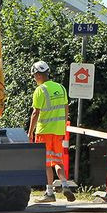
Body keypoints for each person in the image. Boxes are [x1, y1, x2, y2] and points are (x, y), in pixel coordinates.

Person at [27, 61, 75, 202]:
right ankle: (65, 184)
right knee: (58, 160)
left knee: (46, 163)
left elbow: (35, 113)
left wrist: (30, 133)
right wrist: (62, 126)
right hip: (59, 131)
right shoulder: (61, 88)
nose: (34, 79)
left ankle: (49, 193)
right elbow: (66, 109)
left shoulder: (40, 90)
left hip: (44, 131)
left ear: (38, 75)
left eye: (34, 76)